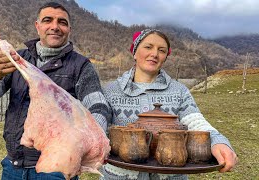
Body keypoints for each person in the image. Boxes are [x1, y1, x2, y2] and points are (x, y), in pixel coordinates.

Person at [0, 2, 111, 180]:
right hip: (13, 166)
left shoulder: (81, 66)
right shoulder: (16, 60)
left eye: (62, 22)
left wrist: (81, 143)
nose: (55, 27)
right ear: (38, 26)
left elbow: (99, 106)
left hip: (55, 171)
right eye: (47, 20)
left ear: (69, 29)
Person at [101, 29, 238, 180]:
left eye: (161, 50)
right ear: (134, 52)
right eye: (148, 47)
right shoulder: (111, 91)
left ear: (165, 57)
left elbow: (195, 121)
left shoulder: (179, 91)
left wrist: (218, 141)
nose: (154, 54)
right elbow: (98, 127)